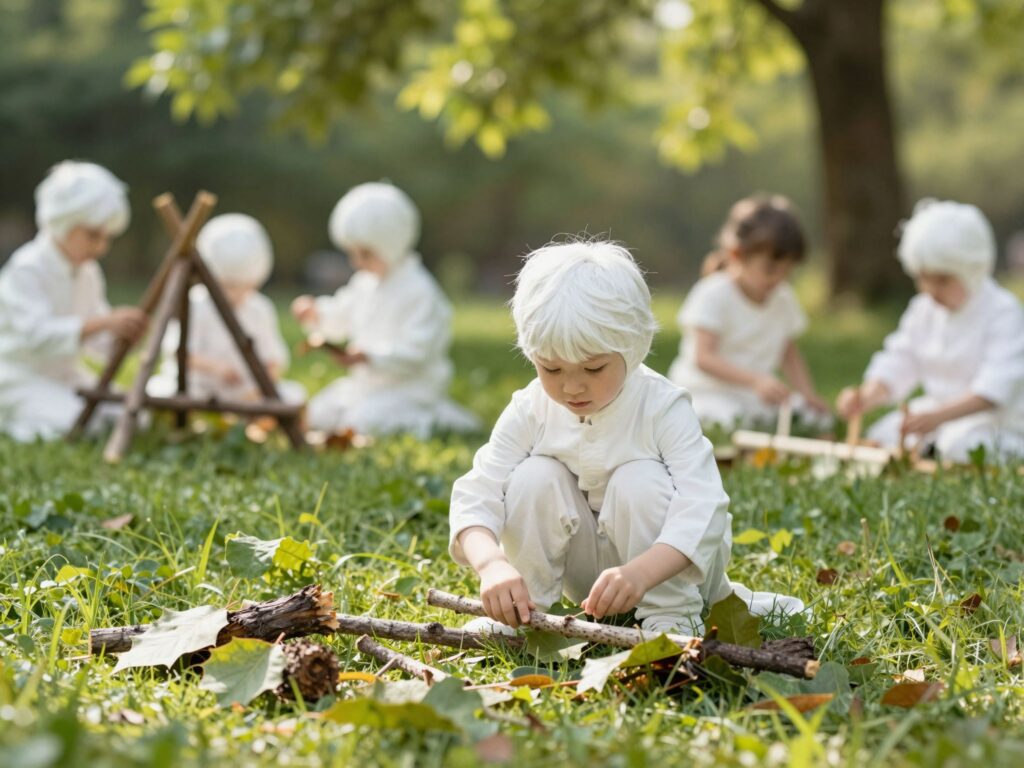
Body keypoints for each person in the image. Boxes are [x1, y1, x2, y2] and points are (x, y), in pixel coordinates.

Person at [449, 239, 803, 637]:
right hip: (592, 581)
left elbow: (703, 506)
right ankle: (526, 610)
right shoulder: (531, 408)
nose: (572, 387)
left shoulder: (662, 406)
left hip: (666, 571)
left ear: (633, 348)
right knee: (533, 475)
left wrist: (641, 572)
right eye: (551, 369)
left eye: (594, 368)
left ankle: (671, 619)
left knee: (640, 479)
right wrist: (491, 564)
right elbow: (477, 492)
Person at [837, 200, 1024, 462]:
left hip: (994, 422)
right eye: (923, 278)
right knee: (883, 434)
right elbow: (900, 359)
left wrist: (938, 418)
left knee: (961, 447)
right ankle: (929, 451)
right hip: (937, 412)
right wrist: (867, 395)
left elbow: (994, 389)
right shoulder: (922, 310)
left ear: (971, 269)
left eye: (943, 280)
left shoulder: (1003, 312)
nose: (931, 290)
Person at [292, 182, 478, 437]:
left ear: (390, 245)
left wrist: (370, 355)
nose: (356, 262)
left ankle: (434, 418)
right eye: (352, 253)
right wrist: (318, 314)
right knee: (315, 414)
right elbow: (342, 313)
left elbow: (417, 350)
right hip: (366, 386)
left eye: (365, 254)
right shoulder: (365, 283)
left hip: (409, 389)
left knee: (360, 424)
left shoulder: (419, 291)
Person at [0, 161, 147, 441]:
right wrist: (105, 322)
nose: (101, 247)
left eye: (107, 238)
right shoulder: (27, 269)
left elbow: (96, 337)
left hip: (66, 375)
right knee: (78, 425)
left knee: (131, 415)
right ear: (62, 222)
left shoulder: (88, 272)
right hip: (18, 377)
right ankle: (11, 420)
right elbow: (36, 336)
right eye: (93, 235)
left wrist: (121, 335)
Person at [668, 195, 829, 431]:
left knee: (816, 417)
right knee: (729, 421)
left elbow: (789, 353)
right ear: (737, 255)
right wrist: (755, 380)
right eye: (771, 269)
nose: (779, 279)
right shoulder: (713, 294)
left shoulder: (782, 297)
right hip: (706, 393)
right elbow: (703, 358)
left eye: (787, 271)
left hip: (754, 396)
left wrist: (806, 394)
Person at [149, 213, 305, 405]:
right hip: (197, 386)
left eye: (245, 287)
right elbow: (177, 351)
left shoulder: (260, 308)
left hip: (243, 391)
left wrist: (262, 387)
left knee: (293, 395)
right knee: (159, 391)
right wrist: (216, 368)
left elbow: (274, 360)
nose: (235, 295)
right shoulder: (195, 303)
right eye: (228, 286)